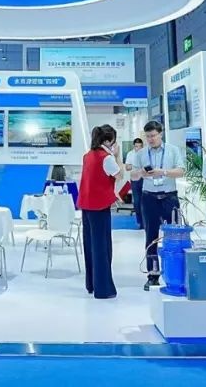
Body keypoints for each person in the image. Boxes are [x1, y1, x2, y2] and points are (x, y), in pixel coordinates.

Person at [128, 120, 184, 290]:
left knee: (174, 236)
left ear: (161, 134)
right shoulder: (141, 154)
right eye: (148, 136)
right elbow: (133, 176)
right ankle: (153, 275)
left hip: (169, 197)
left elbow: (181, 171)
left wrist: (163, 172)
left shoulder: (173, 150)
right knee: (151, 237)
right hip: (149, 198)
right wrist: (141, 173)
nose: (151, 139)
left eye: (153, 135)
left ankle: (175, 272)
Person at [77, 124, 122, 299]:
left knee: (90, 246)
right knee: (102, 247)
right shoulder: (107, 158)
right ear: (109, 141)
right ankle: (103, 289)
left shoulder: (87, 156)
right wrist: (117, 155)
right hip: (100, 206)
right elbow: (119, 175)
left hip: (87, 206)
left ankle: (92, 284)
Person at [127, 137, 145, 229]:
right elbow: (127, 167)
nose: (138, 148)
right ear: (134, 146)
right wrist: (135, 165)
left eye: (140, 146)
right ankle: (140, 221)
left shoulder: (145, 154)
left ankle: (145, 222)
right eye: (136, 146)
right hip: (134, 179)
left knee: (145, 201)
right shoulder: (130, 154)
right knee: (137, 201)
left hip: (144, 179)